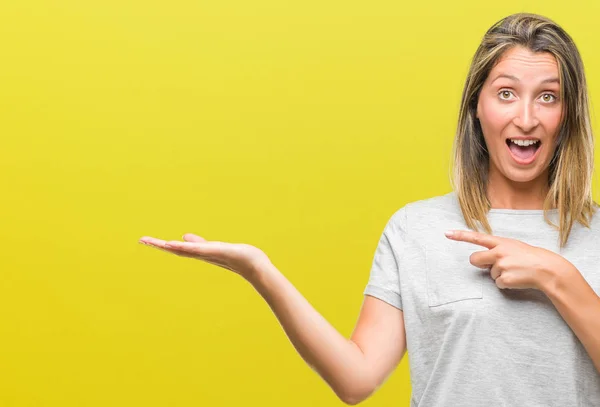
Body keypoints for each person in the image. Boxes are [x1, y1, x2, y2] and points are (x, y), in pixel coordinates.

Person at [139, 12, 600, 406]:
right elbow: (356, 379)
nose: (525, 118)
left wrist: (556, 276)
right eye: (505, 93)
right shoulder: (416, 230)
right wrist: (261, 272)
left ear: (568, 114)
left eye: (547, 96)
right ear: (476, 108)